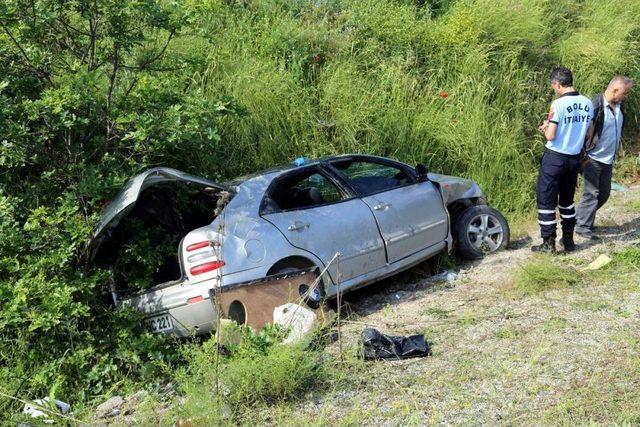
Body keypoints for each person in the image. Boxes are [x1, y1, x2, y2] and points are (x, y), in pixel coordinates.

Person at [532, 67, 594, 253]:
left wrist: (545, 128)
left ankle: (548, 243)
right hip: (574, 159)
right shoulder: (587, 102)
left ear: (557, 84)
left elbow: (551, 136)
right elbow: (589, 133)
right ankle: (568, 241)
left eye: (553, 86)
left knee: (546, 199)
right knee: (567, 200)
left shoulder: (557, 104)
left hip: (555, 158)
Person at [575, 76, 634, 239]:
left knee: (604, 194)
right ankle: (582, 226)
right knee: (591, 193)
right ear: (615, 90)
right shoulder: (595, 106)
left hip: (608, 159)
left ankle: (579, 218)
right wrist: (582, 155)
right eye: (625, 93)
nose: (626, 96)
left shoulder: (619, 106)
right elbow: (581, 132)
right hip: (592, 158)